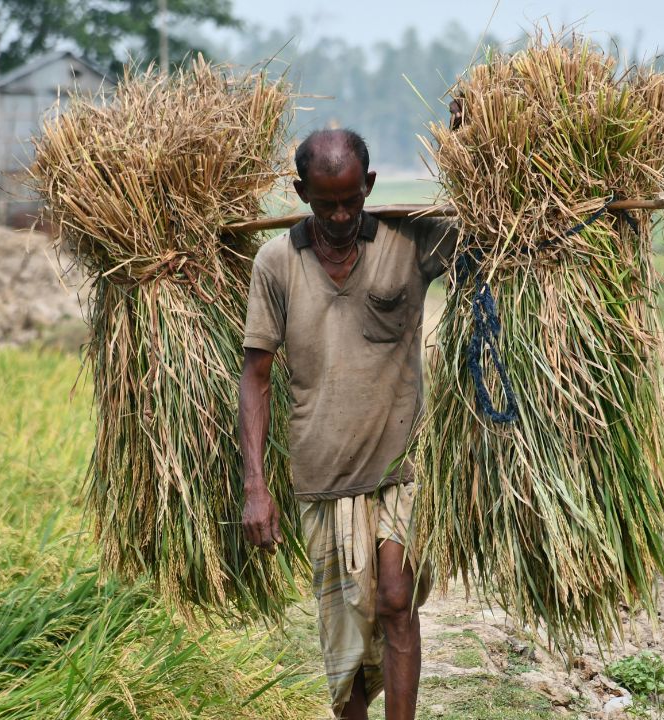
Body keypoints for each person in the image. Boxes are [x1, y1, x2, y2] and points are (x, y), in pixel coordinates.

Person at [238, 127, 458, 720]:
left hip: (401, 461)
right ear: (300, 191)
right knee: (348, 638)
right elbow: (255, 375)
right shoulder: (276, 264)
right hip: (323, 472)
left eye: (350, 200)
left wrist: (468, 141)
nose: (339, 215)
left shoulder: (407, 242)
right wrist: (255, 486)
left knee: (394, 599)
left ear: (369, 186)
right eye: (324, 202)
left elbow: (489, 223)